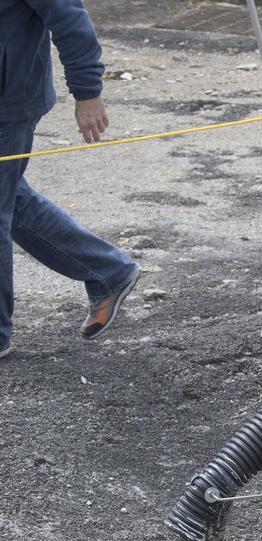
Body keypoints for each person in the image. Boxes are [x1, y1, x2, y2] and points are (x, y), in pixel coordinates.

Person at [0, 0, 140, 360]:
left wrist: (87, 91)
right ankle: (108, 271)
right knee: (10, 198)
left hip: (8, 102)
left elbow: (69, 17)